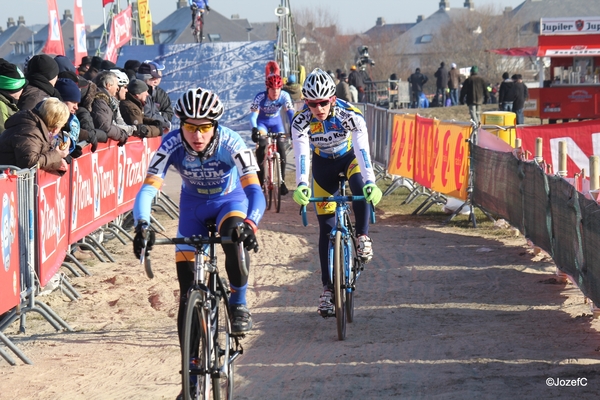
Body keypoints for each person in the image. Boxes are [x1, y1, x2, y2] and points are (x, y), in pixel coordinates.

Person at [131, 88, 265, 391]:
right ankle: (190, 377)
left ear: (215, 125)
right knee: (187, 291)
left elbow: (255, 192)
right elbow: (148, 189)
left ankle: (239, 303)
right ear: (181, 124)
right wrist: (142, 224)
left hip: (229, 202)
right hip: (192, 208)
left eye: (204, 127)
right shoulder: (171, 143)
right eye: (190, 126)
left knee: (234, 239)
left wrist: (251, 224)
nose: (197, 134)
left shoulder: (232, 142)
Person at [290, 68, 382, 317]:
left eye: (323, 102)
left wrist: (371, 182)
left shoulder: (350, 115)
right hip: (323, 166)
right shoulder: (300, 121)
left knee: (360, 186)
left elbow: (363, 151)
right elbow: (301, 154)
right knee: (327, 230)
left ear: (332, 99)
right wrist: (301, 184)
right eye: (312, 104)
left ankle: (362, 236)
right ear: (306, 102)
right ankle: (328, 290)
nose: (318, 108)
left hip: (349, 158)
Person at [249, 73, 295, 195]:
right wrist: (254, 129)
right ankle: (260, 177)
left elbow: (290, 113)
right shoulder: (260, 97)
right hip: (262, 123)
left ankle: (282, 181)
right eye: (272, 89)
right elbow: (253, 116)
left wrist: (293, 127)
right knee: (262, 143)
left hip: (276, 124)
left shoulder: (285, 96)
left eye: (278, 89)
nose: (275, 92)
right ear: (267, 89)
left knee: (281, 145)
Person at [0, 97, 70, 173]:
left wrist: (57, 162)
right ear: (55, 128)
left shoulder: (37, 128)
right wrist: (57, 155)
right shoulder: (30, 131)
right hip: (9, 181)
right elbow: (29, 162)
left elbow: (38, 157)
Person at [91, 70, 130, 145]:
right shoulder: (100, 101)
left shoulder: (108, 101)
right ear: (108, 85)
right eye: (116, 85)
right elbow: (105, 127)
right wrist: (121, 134)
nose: (117, 88)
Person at [136, 62, 171, 133]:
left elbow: (168, 112)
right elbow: (148, 115)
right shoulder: (140, 94)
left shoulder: (159, 94)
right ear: (144, 79)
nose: (156, 80)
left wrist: (161, 117)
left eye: (157, 77)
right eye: (152, 78)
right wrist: (165, 123)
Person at [0, 59, 26, 134]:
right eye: (21, 87)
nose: (23, 90)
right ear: (12, 89)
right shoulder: (1, 106)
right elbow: (3, 136)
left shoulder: (7, 103)